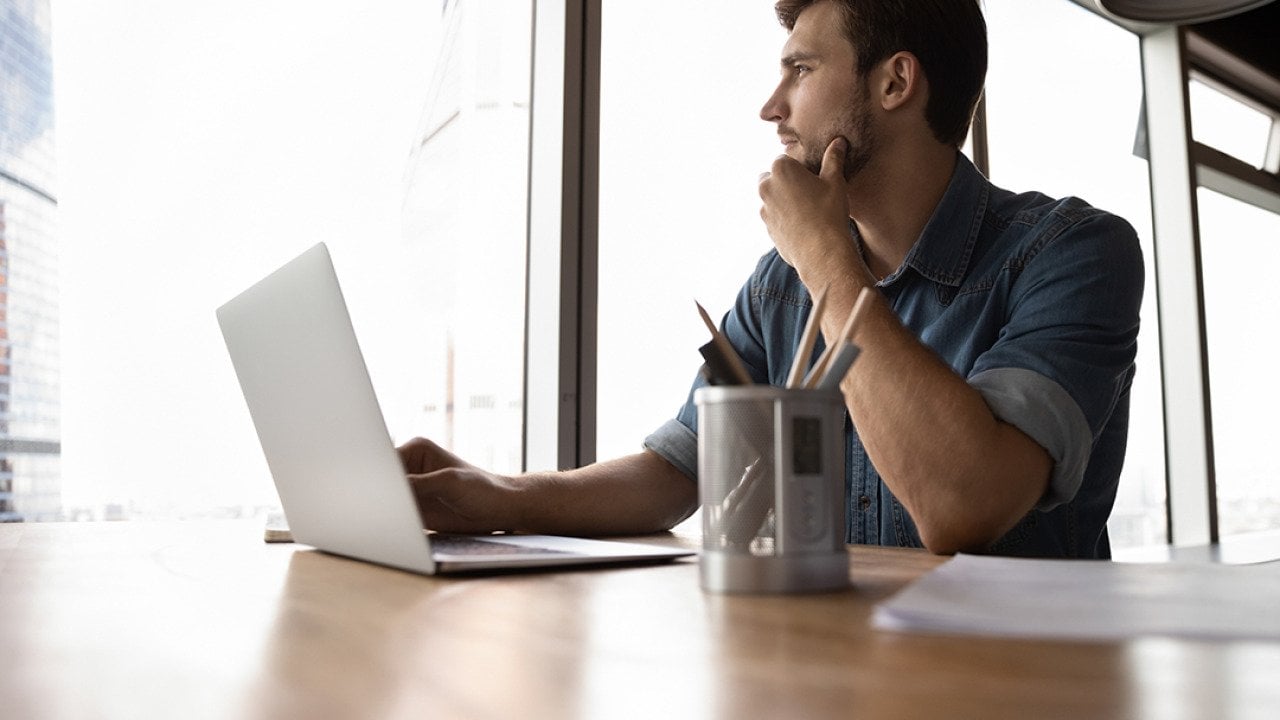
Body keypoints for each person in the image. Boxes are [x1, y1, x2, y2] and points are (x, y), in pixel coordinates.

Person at [398, 0, 1143, 558]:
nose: (771, 106)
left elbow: (963, 505)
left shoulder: (1074, 254)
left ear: (895, 82)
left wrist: (827, 263)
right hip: (834, 681)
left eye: (801, 69)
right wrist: (499, 496)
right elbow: (676, 472)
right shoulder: (777, 287)